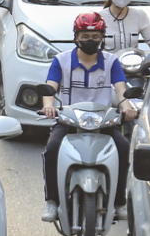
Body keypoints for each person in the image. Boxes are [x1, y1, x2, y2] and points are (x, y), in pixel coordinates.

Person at [40, 12, 133, 222]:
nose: (90, 41)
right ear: (76, 37)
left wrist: (127, 107)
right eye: (84, 36)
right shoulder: (61, 60)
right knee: (52, 148)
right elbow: (50, 88)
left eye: (95, 36)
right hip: (68, 120)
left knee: (123, 147)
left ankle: (119, 201)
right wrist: (49, 107)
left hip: (105, 121)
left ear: (102, 37)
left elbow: (121, 90)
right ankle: (52, 201)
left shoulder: (112, 62)